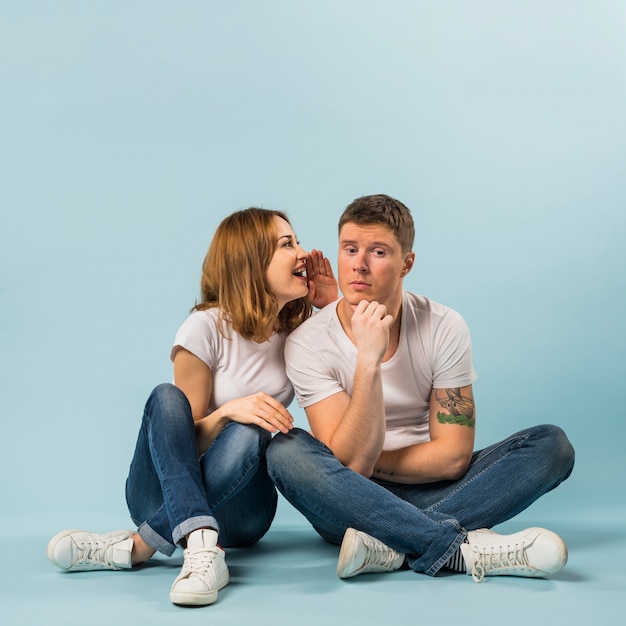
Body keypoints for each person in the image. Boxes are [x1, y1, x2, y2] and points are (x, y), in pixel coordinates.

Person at [266, 194, 575, 583]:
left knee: (552, 445)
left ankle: (389, 544)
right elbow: (351, 466)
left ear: (406, 263)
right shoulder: (308, 342)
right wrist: (368, 359)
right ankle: (454, 548)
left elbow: (452, 459)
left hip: (429, 490)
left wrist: (357, 469)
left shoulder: (443, 326)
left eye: (378, 251)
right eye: (350, 249)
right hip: (345, 501)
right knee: (284, 451)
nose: (359, 264)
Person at [46, 207, 337, 606]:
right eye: (288, 244)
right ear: (250, 260)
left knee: (253, 430)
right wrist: (227, 412)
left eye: (297, 241)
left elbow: (351, 381)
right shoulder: (205, 327)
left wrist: (332, 306)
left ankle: (140, 546)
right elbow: (182, 443)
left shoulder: (300, 337)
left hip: (241, 515)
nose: (304, 253)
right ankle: (201, 548)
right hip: (159, 497)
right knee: (168, 398)